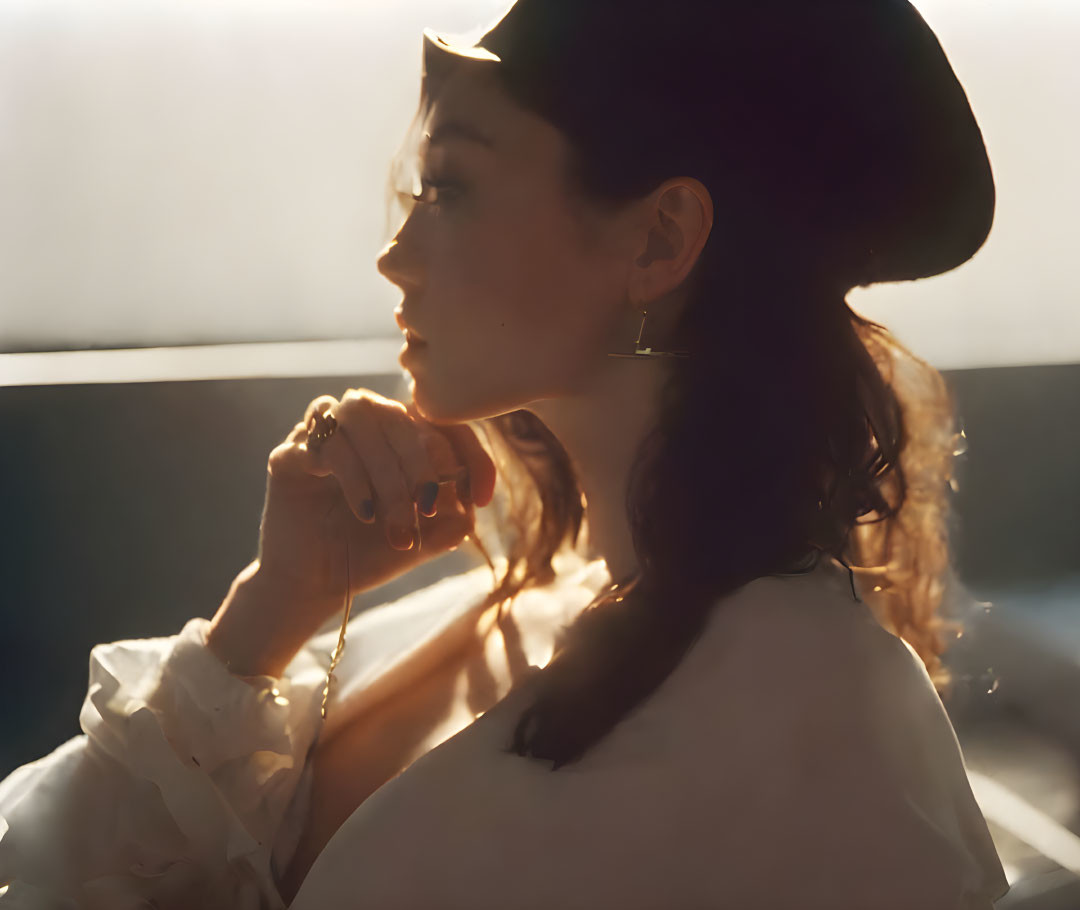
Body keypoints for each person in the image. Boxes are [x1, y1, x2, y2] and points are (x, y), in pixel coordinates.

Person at [0, 0, 1013, 906]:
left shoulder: (826, 741)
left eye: (449, 187)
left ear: (659, 240)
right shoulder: (499, 608)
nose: (394, 257)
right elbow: (40, 862)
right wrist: (269, 612)